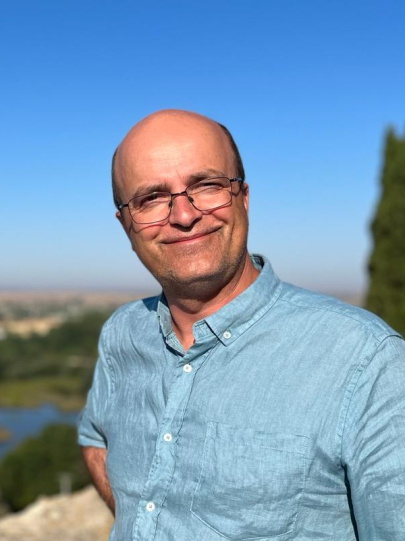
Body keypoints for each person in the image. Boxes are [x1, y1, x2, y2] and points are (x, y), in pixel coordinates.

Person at [78, 109, 405, 541]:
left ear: (243, 197)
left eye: (206, 185)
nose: (183, 215)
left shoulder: (367, 361)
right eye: (152, 198)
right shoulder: (122, 333)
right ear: (126, 224)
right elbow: (95, 440)